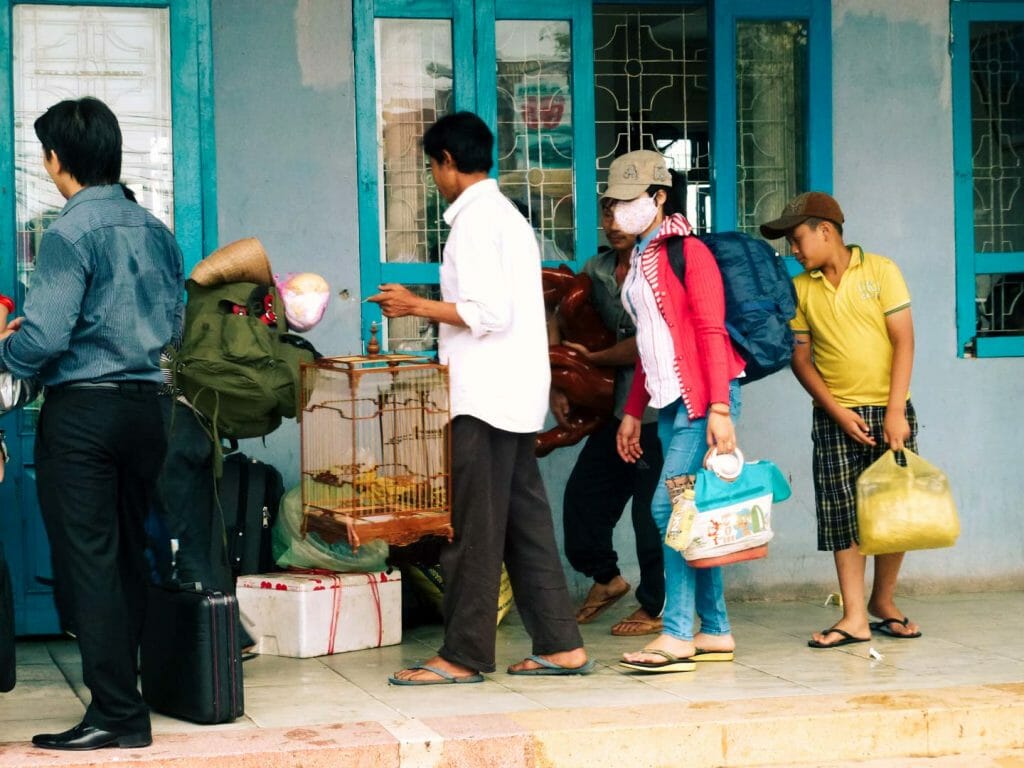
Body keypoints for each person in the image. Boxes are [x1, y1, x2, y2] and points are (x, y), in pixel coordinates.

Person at [370, 111, 592, 684]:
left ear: (446, 162)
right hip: (514, 396)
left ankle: (463, 655)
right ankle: (561, 643)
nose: (433, 177)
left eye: (431, 166)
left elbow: (489, 315)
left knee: (472, 532)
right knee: (525, 525)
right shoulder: (509, 217)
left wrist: (414, 305)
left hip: (484, 399)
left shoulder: (474, 223)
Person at [0, 97, 183, 749]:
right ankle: (125, 697)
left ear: (56, 160)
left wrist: (6, 348)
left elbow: (44, 335)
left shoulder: (69, 232)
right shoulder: (154, 229)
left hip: (85, 414)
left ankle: (116, 715)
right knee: (127, 553)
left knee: (90, 564)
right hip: (148, 408)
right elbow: (175, 324)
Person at [759, 192, 921, 648]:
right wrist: (835, 411)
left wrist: (894, 412)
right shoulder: (802, 289)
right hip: (835, 417)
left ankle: (882, 601)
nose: (794, 249)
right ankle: (853, 616)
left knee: (894, 513)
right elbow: (801, 359)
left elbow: (904, 342)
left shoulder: (881, 271)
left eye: (797, 238)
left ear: (825, 230)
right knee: (841, 515)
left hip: (890, 413)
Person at [612, 150, 746, 673]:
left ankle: (675, 633)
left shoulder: (689, 253)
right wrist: (632, 411)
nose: (621, 209)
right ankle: (713, 630)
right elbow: (654, 344)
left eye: (632, 198)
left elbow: (710, 331)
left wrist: (718, 407)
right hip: (671, 403)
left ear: (660, 196)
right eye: (615, 200)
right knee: (698, 513)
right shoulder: (642, 257)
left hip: (704, 400)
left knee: (673, 512)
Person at [550, 199, 665, 637]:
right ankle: (606, 579)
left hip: (659, 412)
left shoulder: (655, 267)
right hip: (614, 412)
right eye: (607, 214)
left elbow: (645, 342)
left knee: (650, 512)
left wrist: (594, 357)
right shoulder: (596, 270)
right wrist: (557, 382)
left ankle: (655, 606)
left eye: (623, 214)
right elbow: (558, 317)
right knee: (583, 500)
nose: (613, 224)